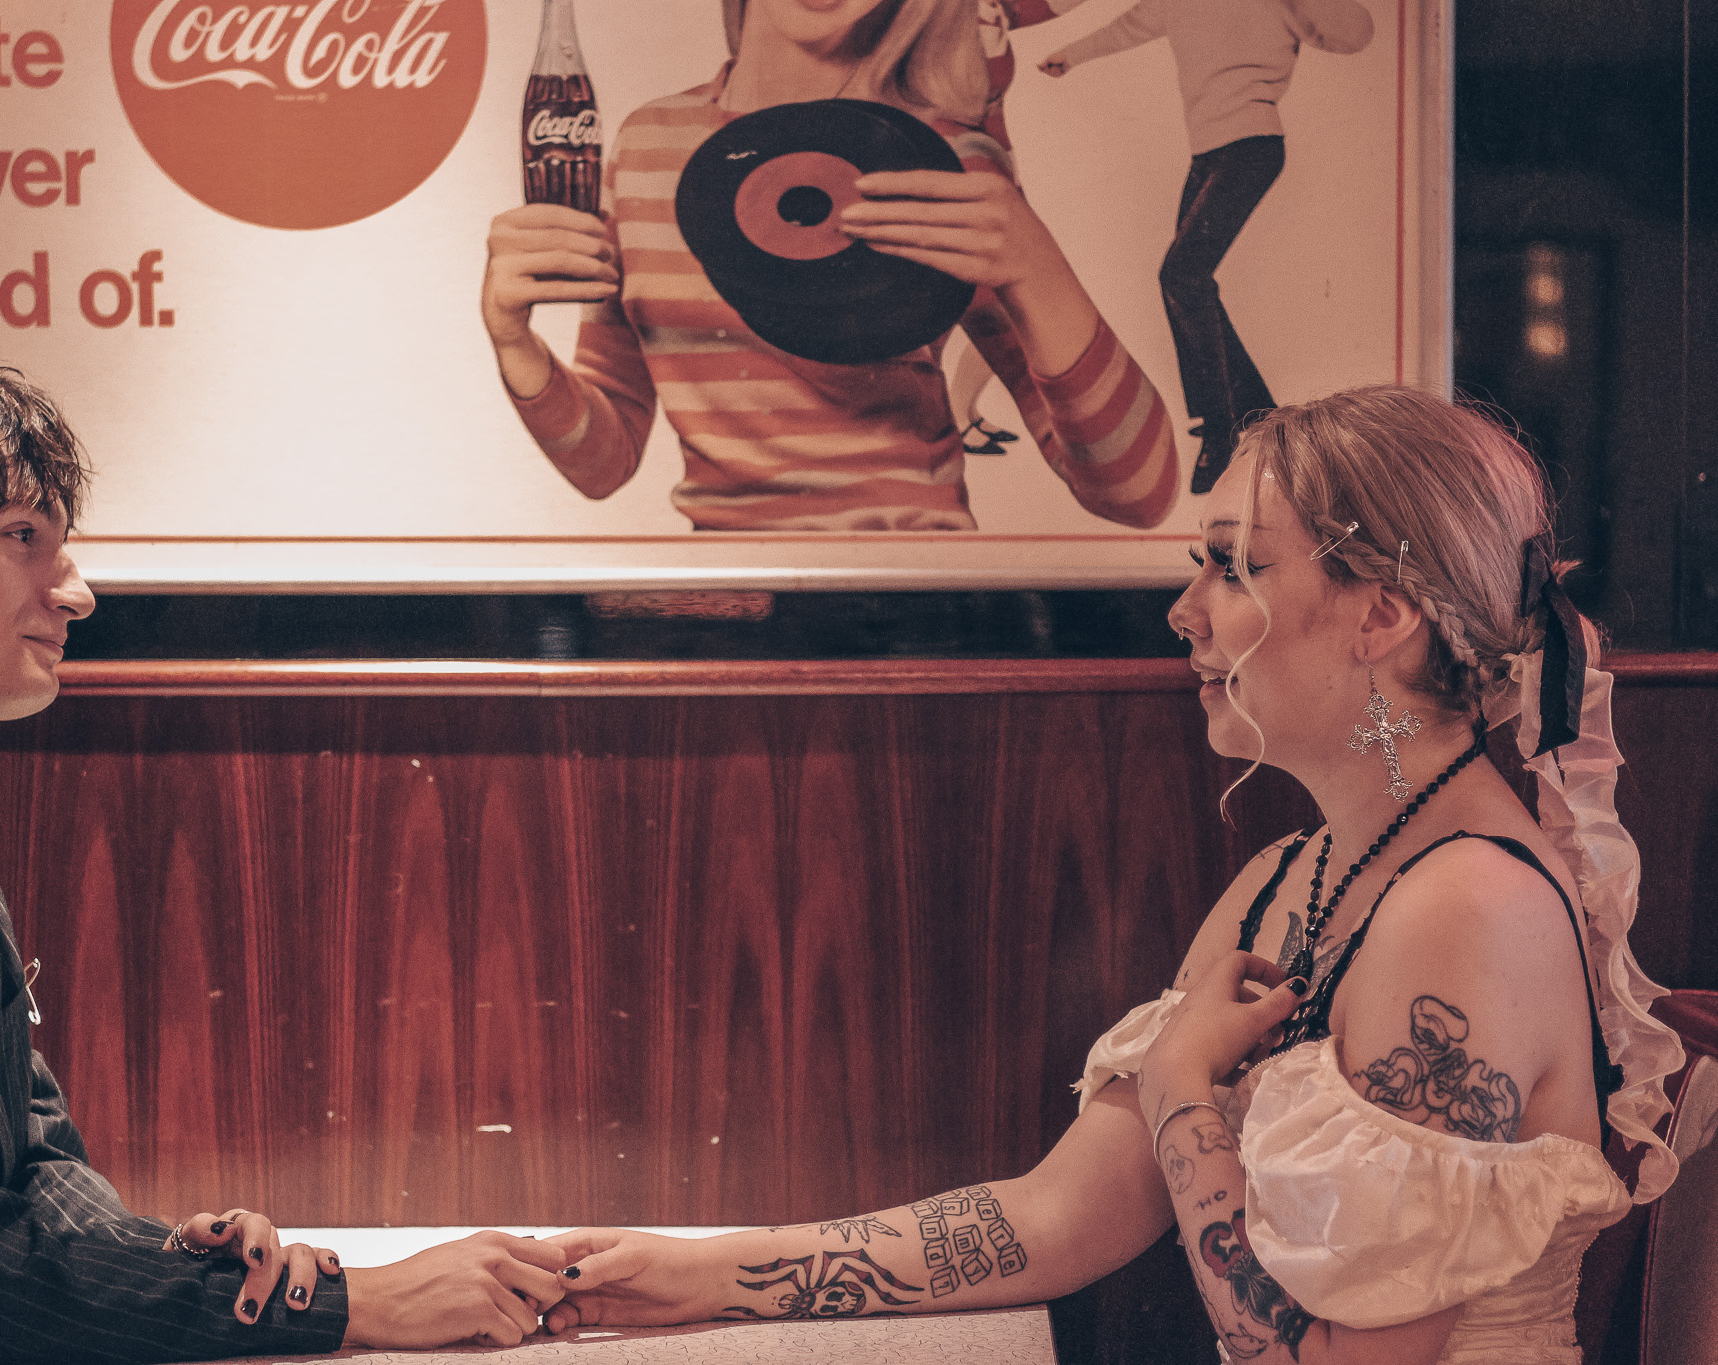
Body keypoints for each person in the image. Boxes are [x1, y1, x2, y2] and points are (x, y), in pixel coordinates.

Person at [540, 386, 1683, 1363]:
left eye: (1234, 566)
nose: (1183, 612)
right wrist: (702, 1275)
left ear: (1377, 616)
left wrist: (1188, 1088)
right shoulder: (1293, 875)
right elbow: (1056, 1218)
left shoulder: (1466, 907)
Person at [0, 329, 569, 1365]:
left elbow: (28, 1154)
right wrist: (341, 1305)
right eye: (21, 538)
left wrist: (191, 1263)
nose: (74, 591)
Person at [482, 0, 1180, 532]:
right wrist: (515, 342)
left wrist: (1038, 268)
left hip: (918, 617)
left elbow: (1139, 493)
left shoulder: (946, 159)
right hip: (726, 617)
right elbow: (604, 463)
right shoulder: (645, 150)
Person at [1040, 0, 1375, 495]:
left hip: (1253, 145)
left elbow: (1355, 34)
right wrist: (1070, 54)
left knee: (1182, 275)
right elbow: (1127, 28)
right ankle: (1260, 417)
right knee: (1183, 282)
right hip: (1208, 154)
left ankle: (1222, 429)